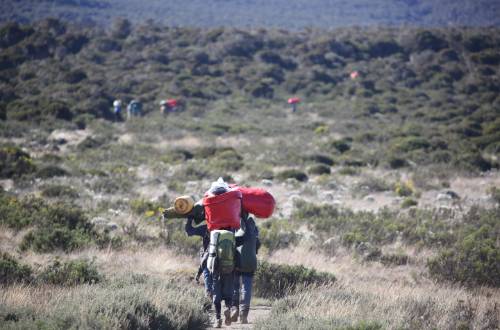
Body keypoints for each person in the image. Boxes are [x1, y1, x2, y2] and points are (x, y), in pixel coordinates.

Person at [205, 178, 238, 328]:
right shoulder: (232, 227)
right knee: (229, 291)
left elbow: (208, 254)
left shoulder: (213, 230)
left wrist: (201, 270)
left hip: (215, 264)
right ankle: (228, 308)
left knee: (216, 292)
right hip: (229, 263)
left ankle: (218, 319)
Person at [231, 213, 260, 324]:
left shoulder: (237, 231)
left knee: (235, 287)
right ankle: (244, 314)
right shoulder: (254, 234)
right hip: (251, 264)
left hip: (238, 263)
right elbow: (257, 248)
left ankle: (235, 309)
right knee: (246, 288)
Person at [184, 215, 213, 298]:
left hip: (208, 257)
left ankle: (208, 293)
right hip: (223, 257)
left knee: (206, 269)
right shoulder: (226, 227)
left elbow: (189, 231)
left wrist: (190, 216)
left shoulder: (206, 228)